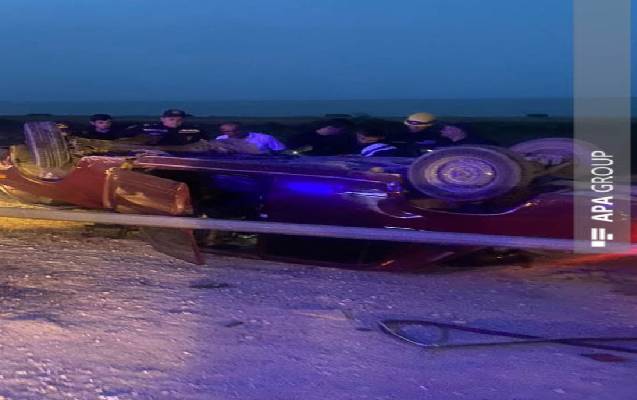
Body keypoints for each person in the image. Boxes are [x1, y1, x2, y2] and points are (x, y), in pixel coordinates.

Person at [395, 112, 492, 155]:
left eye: (446, 128)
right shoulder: (443, 142)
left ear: (457, 130)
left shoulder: (476, 143)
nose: (442, 130)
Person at [126, 109, 208, 145]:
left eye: (179, 120)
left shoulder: (194, 130)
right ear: (162, 119)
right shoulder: (147, 128)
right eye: (171, 119)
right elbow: (125, 136)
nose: (175, 122)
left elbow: (208, 141)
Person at [287, 118, 357, 155]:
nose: (343, 133)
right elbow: (294, 151)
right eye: (342, 131)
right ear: (331, 127)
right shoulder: (299, 137)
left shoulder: (341, 140)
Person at [215, 122, 286, 153]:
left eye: (236, 130)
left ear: (242, 129)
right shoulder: (220, 139)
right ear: (223, 132)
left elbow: (281, 151)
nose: (233, 133)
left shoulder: (265, 138)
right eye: (227, 131)